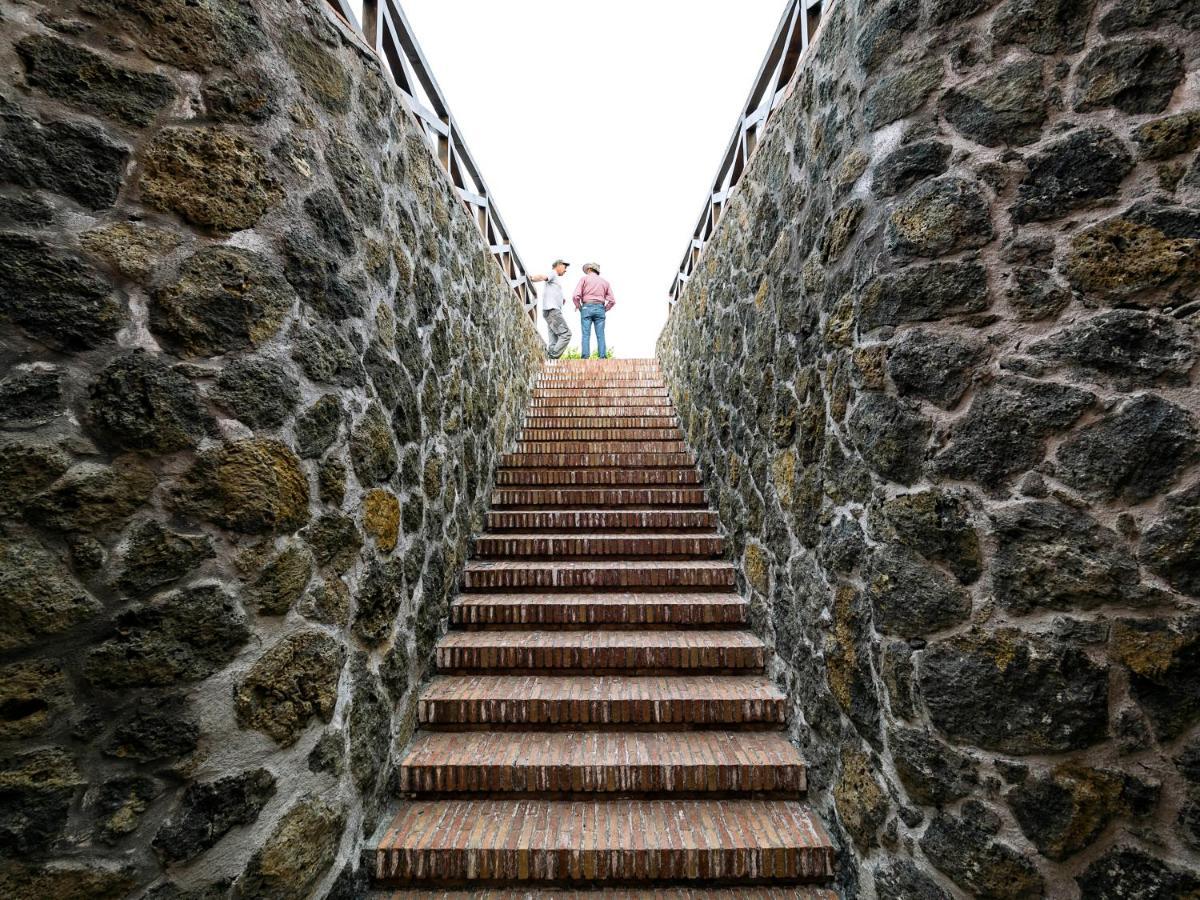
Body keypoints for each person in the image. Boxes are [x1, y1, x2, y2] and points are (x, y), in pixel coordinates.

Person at [529, 259, 571, 358]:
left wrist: (561, 299)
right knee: (566, 334)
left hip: (549, 311)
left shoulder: (555, 278)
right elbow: (543, 277)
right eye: (565, 267)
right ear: (559, 265)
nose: (565, 270)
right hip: (553, 311)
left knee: (554, 337)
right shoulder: (553, 273)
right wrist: (531, 278)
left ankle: (550, 357)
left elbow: (551, 291)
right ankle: (552, 357)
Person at [572, 262, 615, 359]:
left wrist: (579, 307)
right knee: (600, 334)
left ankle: (585, 358)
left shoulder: (584, 279)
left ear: (590, 269)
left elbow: (575, 296)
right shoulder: (605, 282)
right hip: (600, 308)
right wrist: (604, 309)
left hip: (586, 307)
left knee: (586, 334)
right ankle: (602, 357)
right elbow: (612, 301)